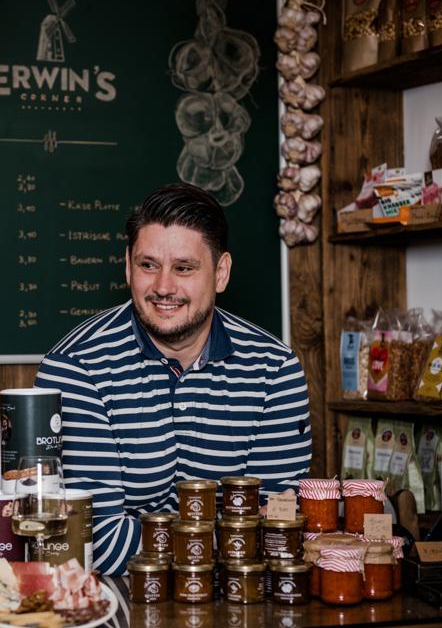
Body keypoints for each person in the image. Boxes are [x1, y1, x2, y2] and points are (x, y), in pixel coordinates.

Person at [34, 183, 312, 575]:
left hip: (239, 599)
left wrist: (239, 539)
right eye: (148, 265)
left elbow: (276, 530)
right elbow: (93, 541)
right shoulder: (76, 367)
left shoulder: (275, 370)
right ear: (128, 265)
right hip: (115, 602)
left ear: (220, 273)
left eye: (183, 268)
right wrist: (227, 539)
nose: (163, 287)